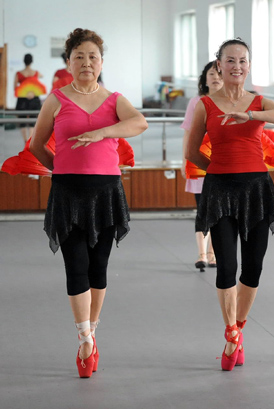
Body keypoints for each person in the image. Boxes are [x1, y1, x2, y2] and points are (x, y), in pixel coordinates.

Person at [29, 28, 148, 378]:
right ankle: (84, 339)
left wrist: (103, 132)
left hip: (106, 193)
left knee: (99, 268)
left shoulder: (114, 100)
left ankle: (93, 329)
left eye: (92, 56)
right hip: (68, 193)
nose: (86, 62)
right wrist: (62, 170)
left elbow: (138, 122)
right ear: (68, 62)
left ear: (101, 62)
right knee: (76, 266)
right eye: (79, 56)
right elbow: (38, 145)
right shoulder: (56, 99)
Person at [186, 38, 274, 371]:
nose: (236, 66)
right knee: (227, 267)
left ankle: (240, 327)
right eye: (229, 61)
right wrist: (219, 171)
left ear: (249, 65)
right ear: (218, 65)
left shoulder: (259, 101)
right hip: (220, 190)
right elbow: (191, 153)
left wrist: (249, 114)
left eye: (242, 61)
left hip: (256, 190)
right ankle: (230, 332)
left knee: (254, 267)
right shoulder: (205, 104)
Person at [181, 61, 223, 271]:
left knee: (219, 210)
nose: (215, 77)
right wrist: (184, 160)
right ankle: (202, 254)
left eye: (219, 73)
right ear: (204, 79)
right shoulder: (196, 102)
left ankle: (214, 254)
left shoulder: (230, 101)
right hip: (198, 161)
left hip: (222, 161)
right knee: (202, 209)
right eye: (211, 74)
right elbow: (188, 133)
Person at [14, 54, 44, 143]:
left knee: (22, 119)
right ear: (31, 61)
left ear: (24, 61)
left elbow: (15, 87)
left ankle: (25, 140)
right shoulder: (36, 73)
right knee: (33, 119)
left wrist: (24, 91)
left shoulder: (18, 74)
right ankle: (30, 141)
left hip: (22, 99)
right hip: (34, 98)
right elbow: (41, 77)